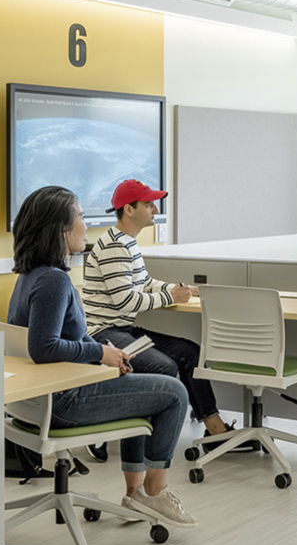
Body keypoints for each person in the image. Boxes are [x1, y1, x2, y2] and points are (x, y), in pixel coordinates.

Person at [7, 185, 198, 527]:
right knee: (174, 392)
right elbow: (44, 347)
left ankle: (136, 494)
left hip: (39, 403)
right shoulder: (54, 281)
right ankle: (152, 494)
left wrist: (103, 356)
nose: (85, 224)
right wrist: (100, 351)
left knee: (146, 389)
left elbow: (52, 344)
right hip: (67, 402)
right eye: (80, 217)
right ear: (61, 229)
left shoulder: (29, 277)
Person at [82, 179, 243, 448]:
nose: (155, 209)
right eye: (148, 204)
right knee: (163, 366)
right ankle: (145, 436)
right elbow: (125, 302)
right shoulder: (114, 246)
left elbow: (145, 283)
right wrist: (170, 296)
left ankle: (216, 431)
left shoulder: (127, 243)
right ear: (129, 209)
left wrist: (182, 290)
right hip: (104, 334)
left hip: (122, 330)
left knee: (189, 352)